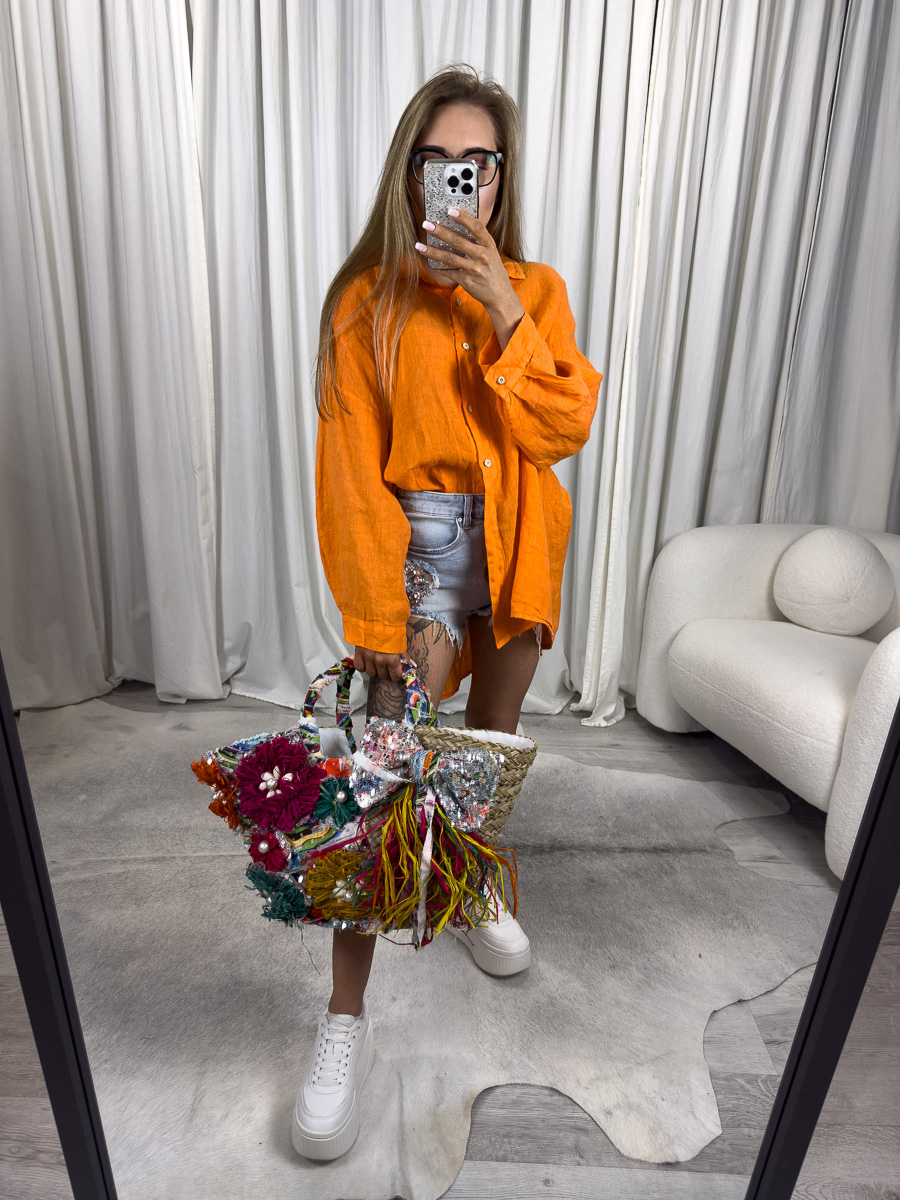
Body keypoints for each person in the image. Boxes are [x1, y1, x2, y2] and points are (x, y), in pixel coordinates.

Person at [292, 63, 603, 1161]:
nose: (459, 178)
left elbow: (561, 429)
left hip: (516, 542)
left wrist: (506, 309)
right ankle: (342, 1020)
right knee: (381, 787)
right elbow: (348, 477)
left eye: (479, 163)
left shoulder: (537, 291)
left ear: (501, 179)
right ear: (410, 172)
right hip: (417, 553)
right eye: (439, 161)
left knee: (486, 752)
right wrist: (382, 617)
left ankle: (466, 889)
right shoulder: (366, 303)